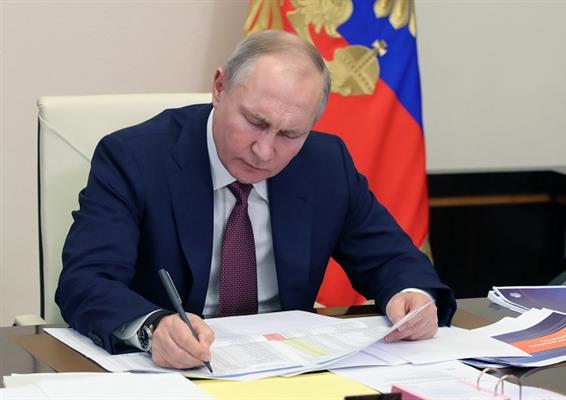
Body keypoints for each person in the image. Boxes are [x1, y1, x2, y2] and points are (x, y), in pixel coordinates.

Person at [56, 30, 456, 370]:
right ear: (219, 88)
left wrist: (413, 297)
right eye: (255, 122)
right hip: (172, 374)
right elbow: (85, 280)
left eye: (290, 134)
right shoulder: (135, 158)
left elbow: (393, 261)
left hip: (291, 371)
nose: (264, 151)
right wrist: (153, 327)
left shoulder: (326, 163)